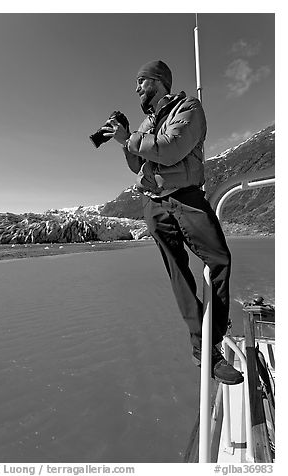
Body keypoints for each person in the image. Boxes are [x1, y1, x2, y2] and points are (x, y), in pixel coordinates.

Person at [102, 60, 243, 385]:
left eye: (141, 81)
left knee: (219, 260)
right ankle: (206, 352)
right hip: (154, 203)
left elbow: (171, 149)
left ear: (159, 81)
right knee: (179, 276)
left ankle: (214, 333)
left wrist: (132, 138)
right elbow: (138, 163)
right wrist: (125, 140)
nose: (137, 88)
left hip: (187, 198)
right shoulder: (145, 123)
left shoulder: (189, 108)